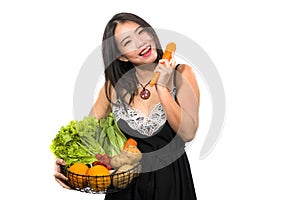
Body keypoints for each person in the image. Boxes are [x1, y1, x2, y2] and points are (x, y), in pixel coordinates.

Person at [54, 12, 200, 200]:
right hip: (125, 187)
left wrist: (162, 87)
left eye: (141, 32)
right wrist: (69, 165)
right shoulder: (113, 87)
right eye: (128, 42)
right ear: (122, 57)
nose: (141, 42)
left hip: (172, 183)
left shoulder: (182, 74)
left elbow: (188, 133)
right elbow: (85, 135)